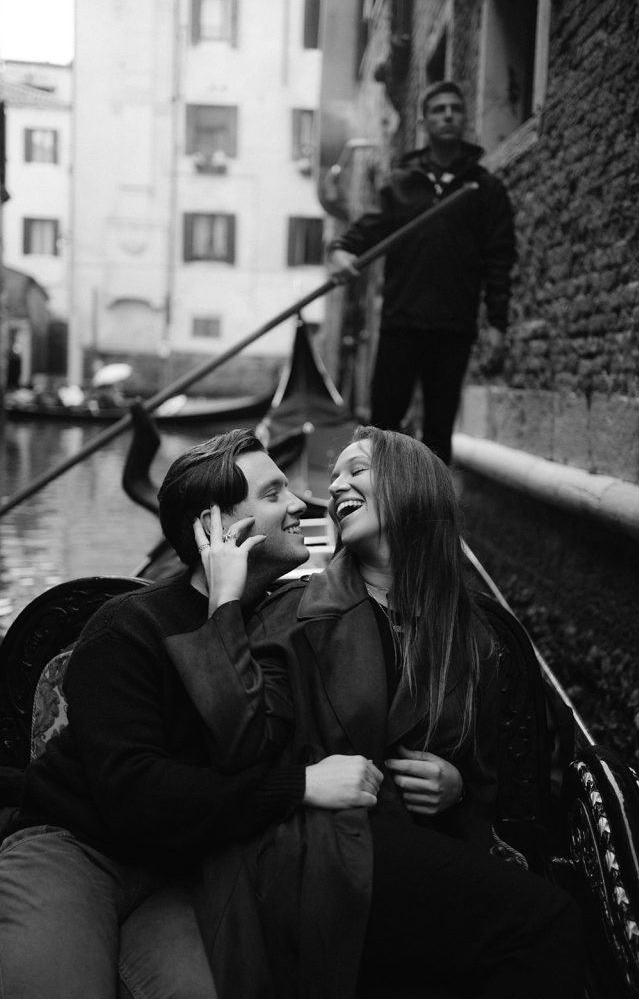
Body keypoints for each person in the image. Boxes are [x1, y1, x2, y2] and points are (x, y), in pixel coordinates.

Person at [194, 426, 584, 998]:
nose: (335, 486)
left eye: (357, 469)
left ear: (412, 486)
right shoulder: (296, 616)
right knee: (547, 920)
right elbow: (239, 740)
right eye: (333, 477)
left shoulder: (471, 635)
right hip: (325, 847)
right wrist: (224, 607)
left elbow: (496, 774)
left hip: (424, 848)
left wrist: (457, 787)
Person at [0, 429, 381, 999]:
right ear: (220, 526)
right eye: (275, 494)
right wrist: (295, 787)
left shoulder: (280, 629)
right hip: (75, 847)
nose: (303, 504)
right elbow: (133, 792)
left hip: (185, 874)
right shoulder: (128, 626)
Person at [328, 80, 517, 465]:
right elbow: (366, 230)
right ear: (425, 121)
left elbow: (500, 258)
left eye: (454, 109)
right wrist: (341, 251)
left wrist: (497, 323)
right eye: (438, 110)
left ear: (463, 118)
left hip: (453, 326)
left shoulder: (484, 188)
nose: (447, 115)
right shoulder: (402, 184)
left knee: (438, 432)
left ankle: (430, 517)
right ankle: (376, 507)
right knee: (382, 428)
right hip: (402, 320)